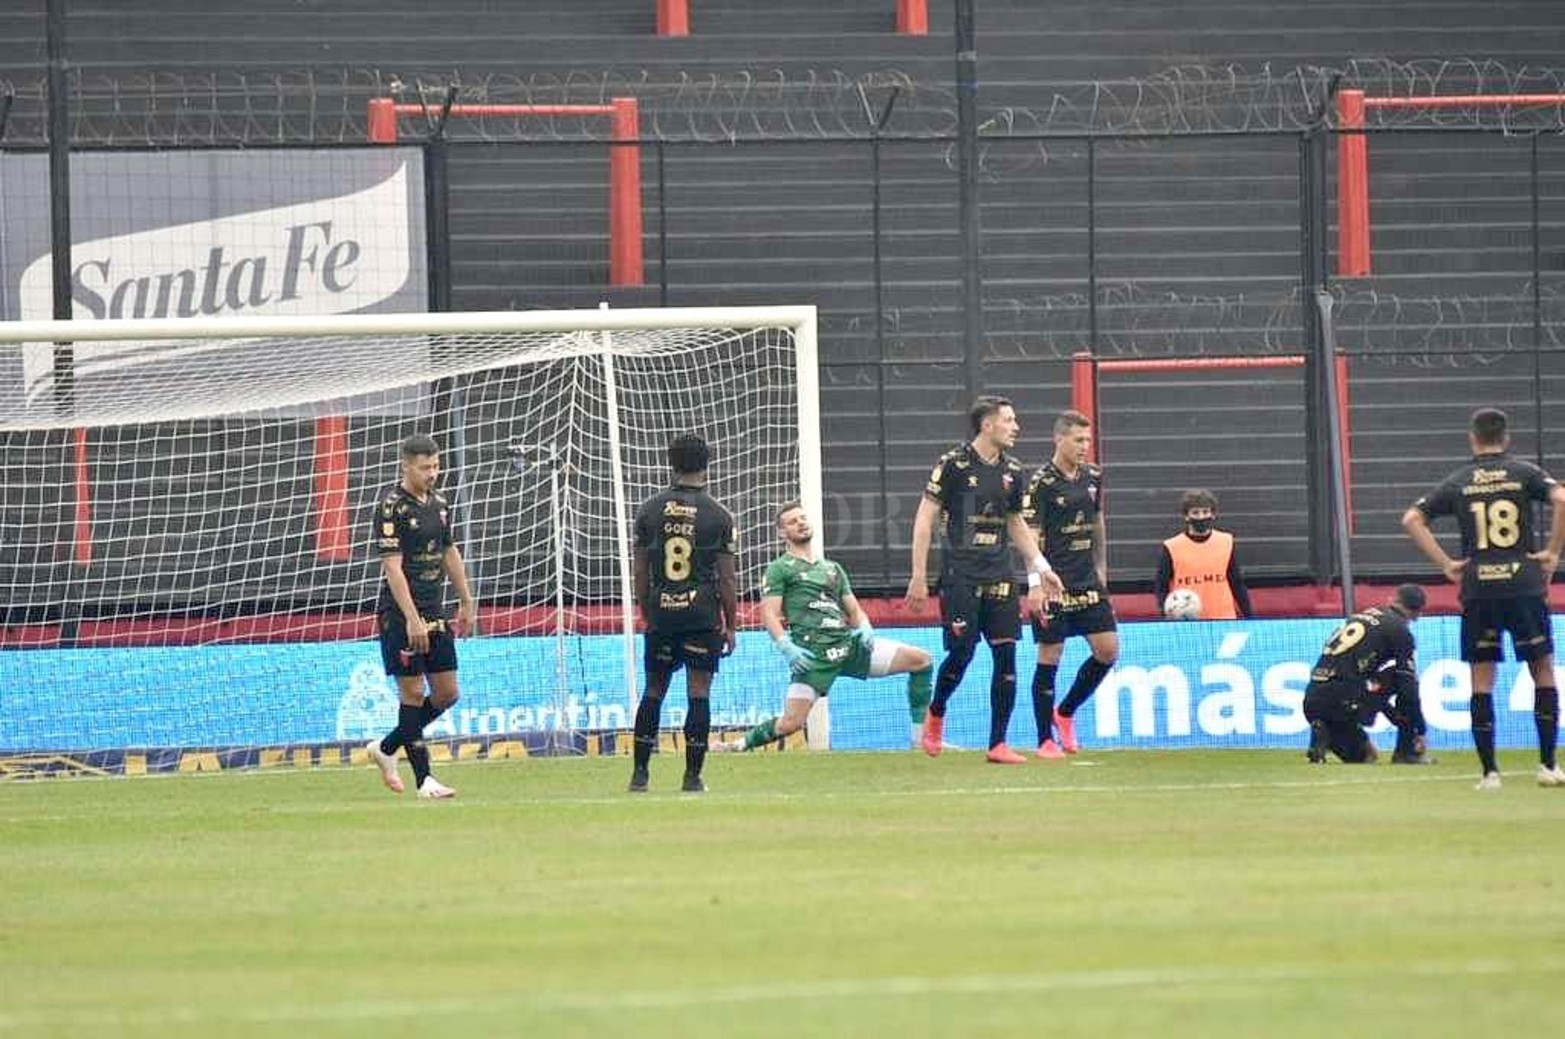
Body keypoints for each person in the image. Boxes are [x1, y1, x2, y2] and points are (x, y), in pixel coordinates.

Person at [1403, 407, 1565, 790]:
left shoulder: (1459, 480)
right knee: (1541, 669)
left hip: (1479, 587)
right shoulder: (1524, 472)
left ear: (1472, 438)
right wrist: (1553, 552)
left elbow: (1411, 519)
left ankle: (1490, 773)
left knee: (1481, 678)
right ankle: (1547, 766)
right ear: (1505, 438)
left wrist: (1447, 563)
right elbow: (1562, 498)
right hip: (1523, 583)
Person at [906, 395, 1063, 764]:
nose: (1016, 427)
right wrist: (918, 575)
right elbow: (924, 519)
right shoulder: (954, 464)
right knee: (962, 653)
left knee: (1006, 655)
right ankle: (937, 711)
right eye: (1008, 420)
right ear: (987, 425)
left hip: (1000, 573)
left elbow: (1016, 522)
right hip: (961, 574)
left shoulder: (1013, 470)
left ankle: (998, 743)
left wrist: (1041, 566)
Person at [718, 503, 934, 752]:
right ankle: (736, 746)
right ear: (782, 533)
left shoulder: (832, 569)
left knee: (921, 661)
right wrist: (785, 646)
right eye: (792, 522)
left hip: (847, 645)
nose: (800, 523)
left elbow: (854, 611)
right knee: (790, 723)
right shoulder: (779, 569)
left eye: (802, 518)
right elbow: (769, 614)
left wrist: (864, 626)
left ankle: (920, 741)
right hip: (814, 655)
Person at [365, 433, 477, 800]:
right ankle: (424, 780)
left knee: (447, 693)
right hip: (401, 613)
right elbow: (392, 568)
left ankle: (386, 747)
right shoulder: (391, 508)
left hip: (434, 609)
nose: (432, 473)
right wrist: (411, 618)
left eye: (436, 466)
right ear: (406, 466)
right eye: (425, 467)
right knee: (412, 693)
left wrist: (466, 600)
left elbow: (449, 551)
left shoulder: (440, 504)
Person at [628, 433, 738, 793]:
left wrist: (647, 610)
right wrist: (731, 624)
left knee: (654, 688)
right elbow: (726, 578)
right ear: (707, 464)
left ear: (671, 463)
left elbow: (640, 571)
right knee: (698, 691)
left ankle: (640, 775)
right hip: (702, 615)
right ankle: (692, 777)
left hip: (662, 613)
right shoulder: (719, 514)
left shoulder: (648, 510)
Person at [1023, 410, 1118, 758]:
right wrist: (1035, 583)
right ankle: (1044, 739)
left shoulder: (1093, 476)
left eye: (1087, 440)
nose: (1084, 446)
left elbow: (1097, 522)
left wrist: (1101, 568)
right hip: (1054, 582)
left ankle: (1064, 712)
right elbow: (1030, 537)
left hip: (1087, 579)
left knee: (1108, 651)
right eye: (1078, 440)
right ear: (1059, 439)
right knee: (1051, 654)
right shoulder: (1041, 483)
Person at [1303, 584, 1428, 765]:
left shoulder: (1362, 615)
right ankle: (1407, 752)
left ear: (1393, 599)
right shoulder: (1400, 631)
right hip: (1344, 701)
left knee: (1365, 756)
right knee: (1400, 678)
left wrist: (1395, 716)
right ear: (1418, 614)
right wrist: (1419, 729)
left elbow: (1374, 690)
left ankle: (1323, 731)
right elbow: (1408, 690)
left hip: (1313, 702)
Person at [1153, 489, 1253, 620]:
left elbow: (1237, 583)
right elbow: (1161, 586)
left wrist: (1249, 616)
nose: (1201, 517)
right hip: (1187, 622)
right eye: (1195, 513)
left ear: (1213, 514)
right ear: (1186, 516)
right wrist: (1166, 613)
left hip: (1223, 619)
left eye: (1205, 512)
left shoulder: (1225, 541)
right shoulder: (1172, 546)